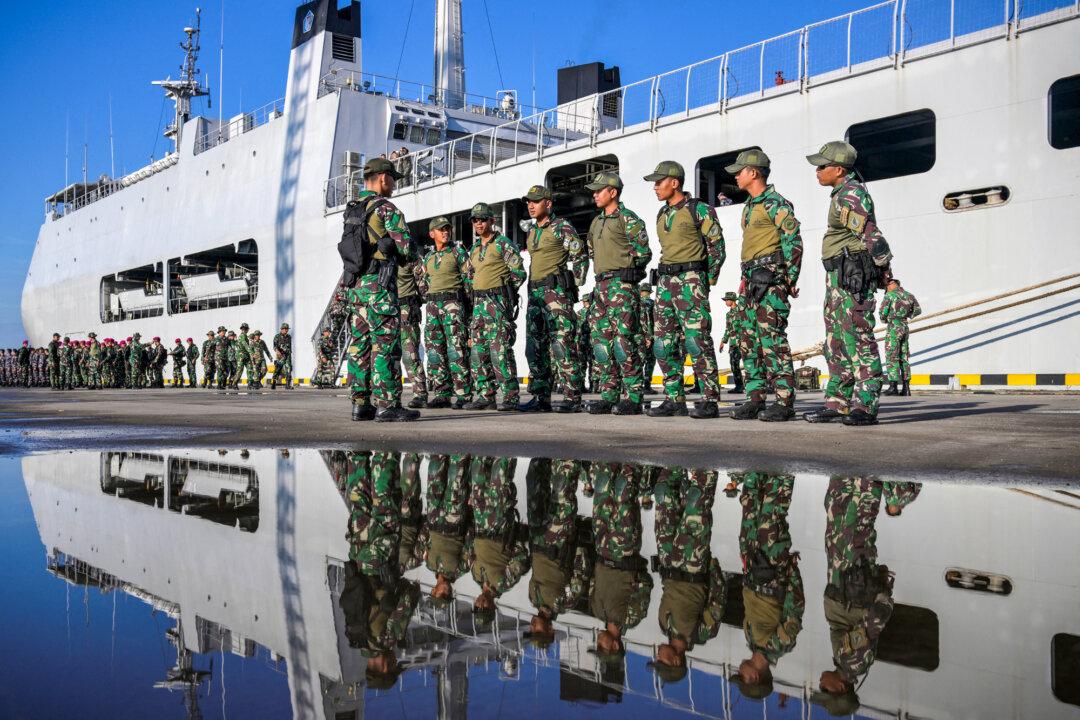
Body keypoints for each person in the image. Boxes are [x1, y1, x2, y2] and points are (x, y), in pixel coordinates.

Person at [804, 141, 893, 426]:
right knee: (836, 342)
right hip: (838, 277)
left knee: (859, 339)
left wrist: (884, 277)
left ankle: (865, 405)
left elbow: (873, 236)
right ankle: (839, 402)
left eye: (822, 166)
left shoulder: (851, 195)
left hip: (852, 277)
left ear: (839, 169)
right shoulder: (840, 194)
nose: (817, 171)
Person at [643, 160, 726, 419]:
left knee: (696, 340)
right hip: (665, 283)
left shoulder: (698, 209)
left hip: (691, 280)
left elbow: (716, 246)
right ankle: (674, 398)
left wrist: (706, 281)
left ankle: (710, 398)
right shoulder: (662, 213)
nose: (655, 187)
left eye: (660, 181)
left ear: (675, 182)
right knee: (663, 343)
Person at [725, 149, 803, 422]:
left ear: (754, 172)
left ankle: (784, 402)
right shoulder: (749, 206)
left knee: (773, 342)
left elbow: (793, 242)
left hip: (771, 283)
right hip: (750, 282)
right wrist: (744, 280)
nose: (736, 176)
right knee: (748, 343)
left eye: (740, 171)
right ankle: (755, 398)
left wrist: (789, 279)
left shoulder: (777, 204)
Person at [342, 157, 421, 422]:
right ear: (383, 178)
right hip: (379, 287)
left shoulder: (354, 209)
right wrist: (396, 249)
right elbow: (407, 249)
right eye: (393, 181)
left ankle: (360, 404)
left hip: (357, 288)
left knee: (360, 346)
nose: (394, 186)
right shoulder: (385, 208)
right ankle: (388, 404)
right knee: (386, 344)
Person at [729, 471, 805, 700]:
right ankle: (781, 474)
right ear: (755, 678)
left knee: (750, 515)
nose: (738, 671)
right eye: (741, 677)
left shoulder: (751, 641)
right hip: (773, 569)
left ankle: (755, 475)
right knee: (770, 518)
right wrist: (788, 570)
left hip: (752, 569)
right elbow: (795, 607)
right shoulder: (781, 645)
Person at [582, 170, 653, 415]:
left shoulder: (628, 219)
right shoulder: (596, 222)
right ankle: (608, 394)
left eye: (599, 190)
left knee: (624, 340)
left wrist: (628, 270)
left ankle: (632, 395)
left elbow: (644, 252)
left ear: (613, 192)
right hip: (600, 287)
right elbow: (591, 250)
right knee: (602, 343)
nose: (594, 194)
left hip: (621, 287)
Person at [650, 466, 726, 683]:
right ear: (675, 661)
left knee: (663, 494)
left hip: (668, 561)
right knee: (696, 502)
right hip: (693, 564)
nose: (657, 655)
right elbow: (717, 600)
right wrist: (710, 564)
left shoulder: (663, 626)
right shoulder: (701, 634)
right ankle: (707, 465)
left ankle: (675, 465)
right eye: (661, 661)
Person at [520, 184, 587, 413]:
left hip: (556, 295)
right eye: (528, 201)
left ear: (548, 203)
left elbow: (580, 256)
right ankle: (541, 398)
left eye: (535, 201)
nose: (531, 205)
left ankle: (572, 398)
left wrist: (573, 286)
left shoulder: (562, 227)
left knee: (562, 345)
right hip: (536, 296)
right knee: (534, 348)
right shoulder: (532, 231)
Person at [464, 202, 526, 411]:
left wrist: (504, 295)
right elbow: (470, 276)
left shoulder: (503, 244)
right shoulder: (473, 249)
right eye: (475, 220)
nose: (478, 223)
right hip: (478, 306)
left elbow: (518, 273)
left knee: (500, 352)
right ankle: (485, 395)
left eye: (482, 219)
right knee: (478, 353)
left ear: (492, 220)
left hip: (496, 304)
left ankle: (510, 396)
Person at [419, 216, 472, 409]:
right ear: (432, 233)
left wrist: (467, 308)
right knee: (434, 350)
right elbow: (423, 282)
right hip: (433, 306)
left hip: (453, 305)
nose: (446, 232)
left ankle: (463, 394)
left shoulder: (458, 253)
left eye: (447, 229)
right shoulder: (429, 257)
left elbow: (469, 281)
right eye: (441, 229)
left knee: (456, 349)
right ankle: (442, 393)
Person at [880, 278, 921, 396]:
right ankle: (906, 388)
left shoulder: (890, 296)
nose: (886, 288)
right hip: (904, 326)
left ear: (892, 284)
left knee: (892, 356)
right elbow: (918, 310)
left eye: (887, 286)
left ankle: (893, 386)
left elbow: (883, 313)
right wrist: (907, 315)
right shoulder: (909, 295)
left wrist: (886, 319)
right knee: (904, 356)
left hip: (893, 327)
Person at [397, 249, 428, 408]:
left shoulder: (410, 256)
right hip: (385, 309)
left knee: (410, 354)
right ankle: (390, 397)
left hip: (406, 309)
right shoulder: (380, 257)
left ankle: (420, 394)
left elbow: (424, 284)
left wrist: (416, 302)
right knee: (387, 355)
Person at [719, 292, 745, 394]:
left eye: (727, 300)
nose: (725, 302)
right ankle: (739, 386)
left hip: (744, 342)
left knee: (750, 364)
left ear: (733, 300)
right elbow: (728, 329)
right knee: (734, 364)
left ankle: (759, 386)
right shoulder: (729, 314)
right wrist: (723, 341)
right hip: (733, 343)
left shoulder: (742, 311)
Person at [574, 293, 593, 396]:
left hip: (583, 340)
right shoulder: (594, 312)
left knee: (582, 364)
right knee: (592, 364)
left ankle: (581, 386)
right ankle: (592, 386)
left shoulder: (579, 313)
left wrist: (576, 341)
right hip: (591, 340)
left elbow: (577, 329)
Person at [271, 323, 292, 389]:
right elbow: (274, 346)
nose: (286, 330)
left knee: (288, 369)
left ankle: (287, 385)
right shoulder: (277, 336)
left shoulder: (289, 337)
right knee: (277, 370)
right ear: (282, 329)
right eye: (285, 329)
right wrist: (277, 351)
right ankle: (274, 382)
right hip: (280, 356)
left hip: (287, 356)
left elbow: (289, 346)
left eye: (287, 329)